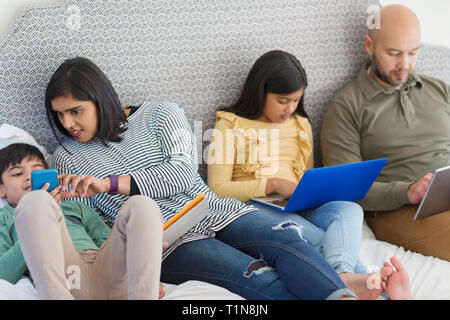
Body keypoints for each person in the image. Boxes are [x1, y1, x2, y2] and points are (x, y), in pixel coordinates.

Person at [44, 56, 370, 300]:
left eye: (76, 111)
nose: (68, 123)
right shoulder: (67, 158)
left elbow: (183, 173)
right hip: (169, 243)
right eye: (60, 115)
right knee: (257, 277)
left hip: (214, 209)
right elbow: (96, 220)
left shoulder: (160, 113)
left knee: (287, 240)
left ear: (99, 98)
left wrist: (110, 183)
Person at [207, 50, 367, 281]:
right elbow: (217, 189)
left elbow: (305, 176)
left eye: (296, 100)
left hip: (298, 203)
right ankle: (375, 289)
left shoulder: (300, 125)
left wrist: (318, 188)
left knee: (350, 210)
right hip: (256, 206)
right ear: (260, 92)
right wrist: (272, 184)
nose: (290, 108)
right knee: (317, 238)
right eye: (283, 101)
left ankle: (344, 276)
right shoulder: (229, 124)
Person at [321, 5, 450, 261]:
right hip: (401, 209)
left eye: (413, 53)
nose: (405, 64)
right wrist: (407, 191)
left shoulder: (439, 90)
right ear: (369, 46)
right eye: (394, 53)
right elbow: (343, 187)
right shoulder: (347, 106)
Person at [0, 143, 165, 299]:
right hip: (66, 280)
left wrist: (144, 255)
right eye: (17, 173)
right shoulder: (4, 217)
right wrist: (33, 230)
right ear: (1, 189)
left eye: (37, 172)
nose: (29, 177)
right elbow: (3, 273)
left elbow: (107, 242)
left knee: (142, 204)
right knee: (35, 201)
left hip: (109, 276)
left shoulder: (75, 207)